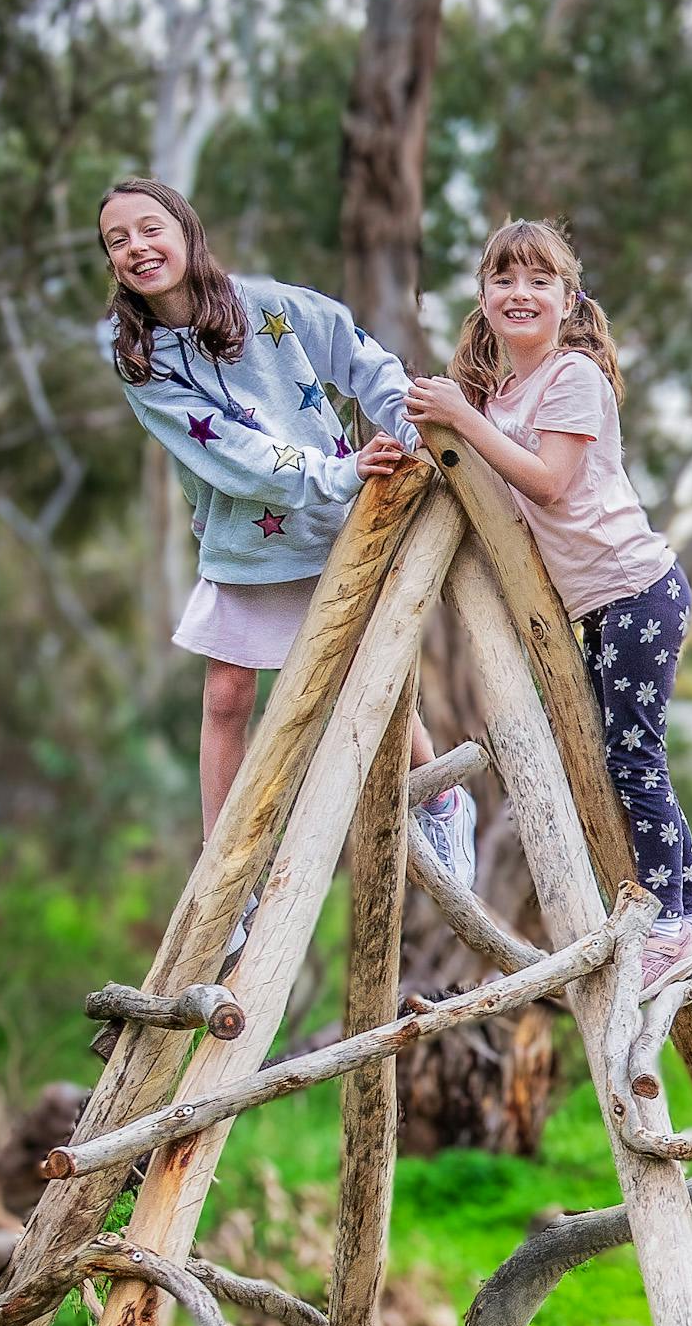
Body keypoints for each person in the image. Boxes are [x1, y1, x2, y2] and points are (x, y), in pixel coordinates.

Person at [91, 178, 476, 930]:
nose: (137, 247)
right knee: (227, 697)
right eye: (117, 240)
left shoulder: (266, 304)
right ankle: (228, 873)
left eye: (149, 229)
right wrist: (333, 470)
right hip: (250, 536)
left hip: (338, 521)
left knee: (373, 673)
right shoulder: (139, 360)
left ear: (185, 232)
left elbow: (362, 356)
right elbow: (232, 454)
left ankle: (440, 798)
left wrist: (402, 427)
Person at [405, 219, 692, 1000]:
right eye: (504, 280)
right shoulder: (509, 393)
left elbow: (548, 481)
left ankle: (672, 928)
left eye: (538, 281)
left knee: (632, 758)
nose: (520, 294)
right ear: (483, 298)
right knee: (626, 753)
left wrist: (463, 418)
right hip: (602, 605)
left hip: (636, 587)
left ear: (567, 298)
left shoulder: (573, 374)